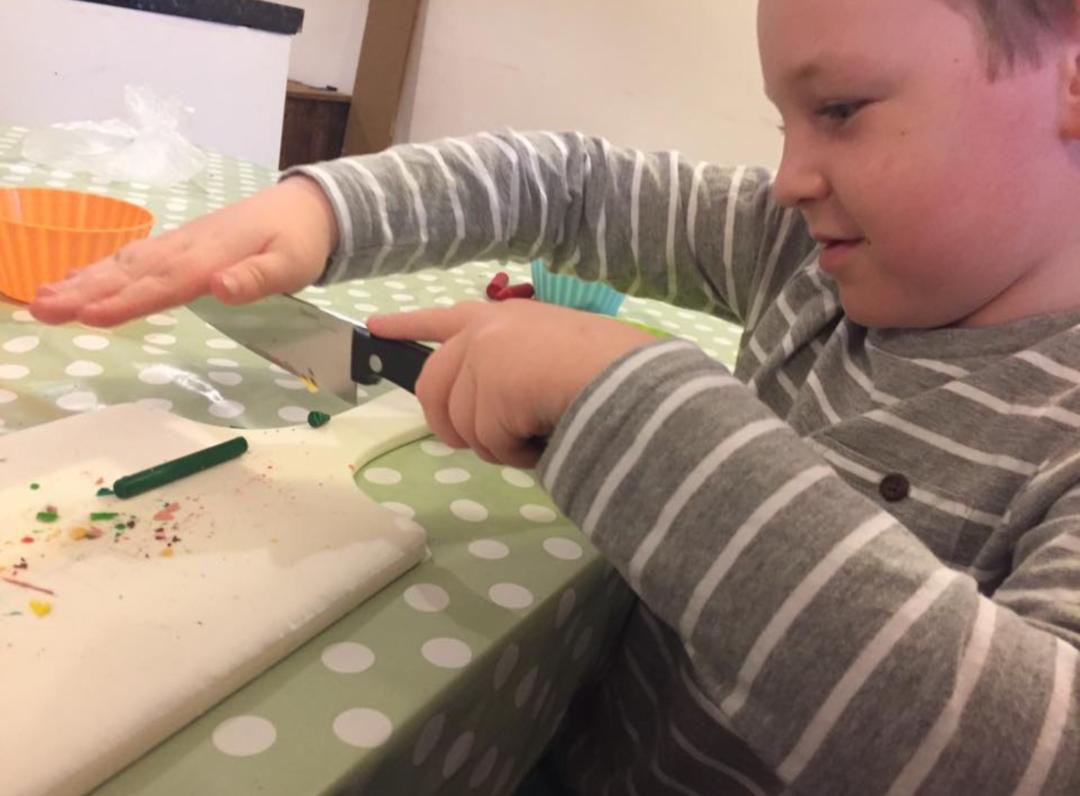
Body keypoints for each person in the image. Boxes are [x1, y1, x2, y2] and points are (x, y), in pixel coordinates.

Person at [29, 0, 1080, 792]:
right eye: (785, 123)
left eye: (841, 111)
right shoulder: (799, 253)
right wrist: (323, 210)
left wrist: (625, 395)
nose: (787, 176)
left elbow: (1026, 750)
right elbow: (570, 186)